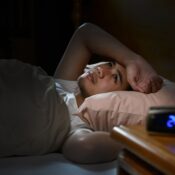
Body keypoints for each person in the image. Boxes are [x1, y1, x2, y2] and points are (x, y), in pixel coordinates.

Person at [53, 23, 163, 164]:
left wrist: (139, 140)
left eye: (115, 77)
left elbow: (84, 146)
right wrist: (133, 60)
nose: (101, 69)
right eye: (110, 64)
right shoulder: (64, 85)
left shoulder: (75, 121)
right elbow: (85, 33)